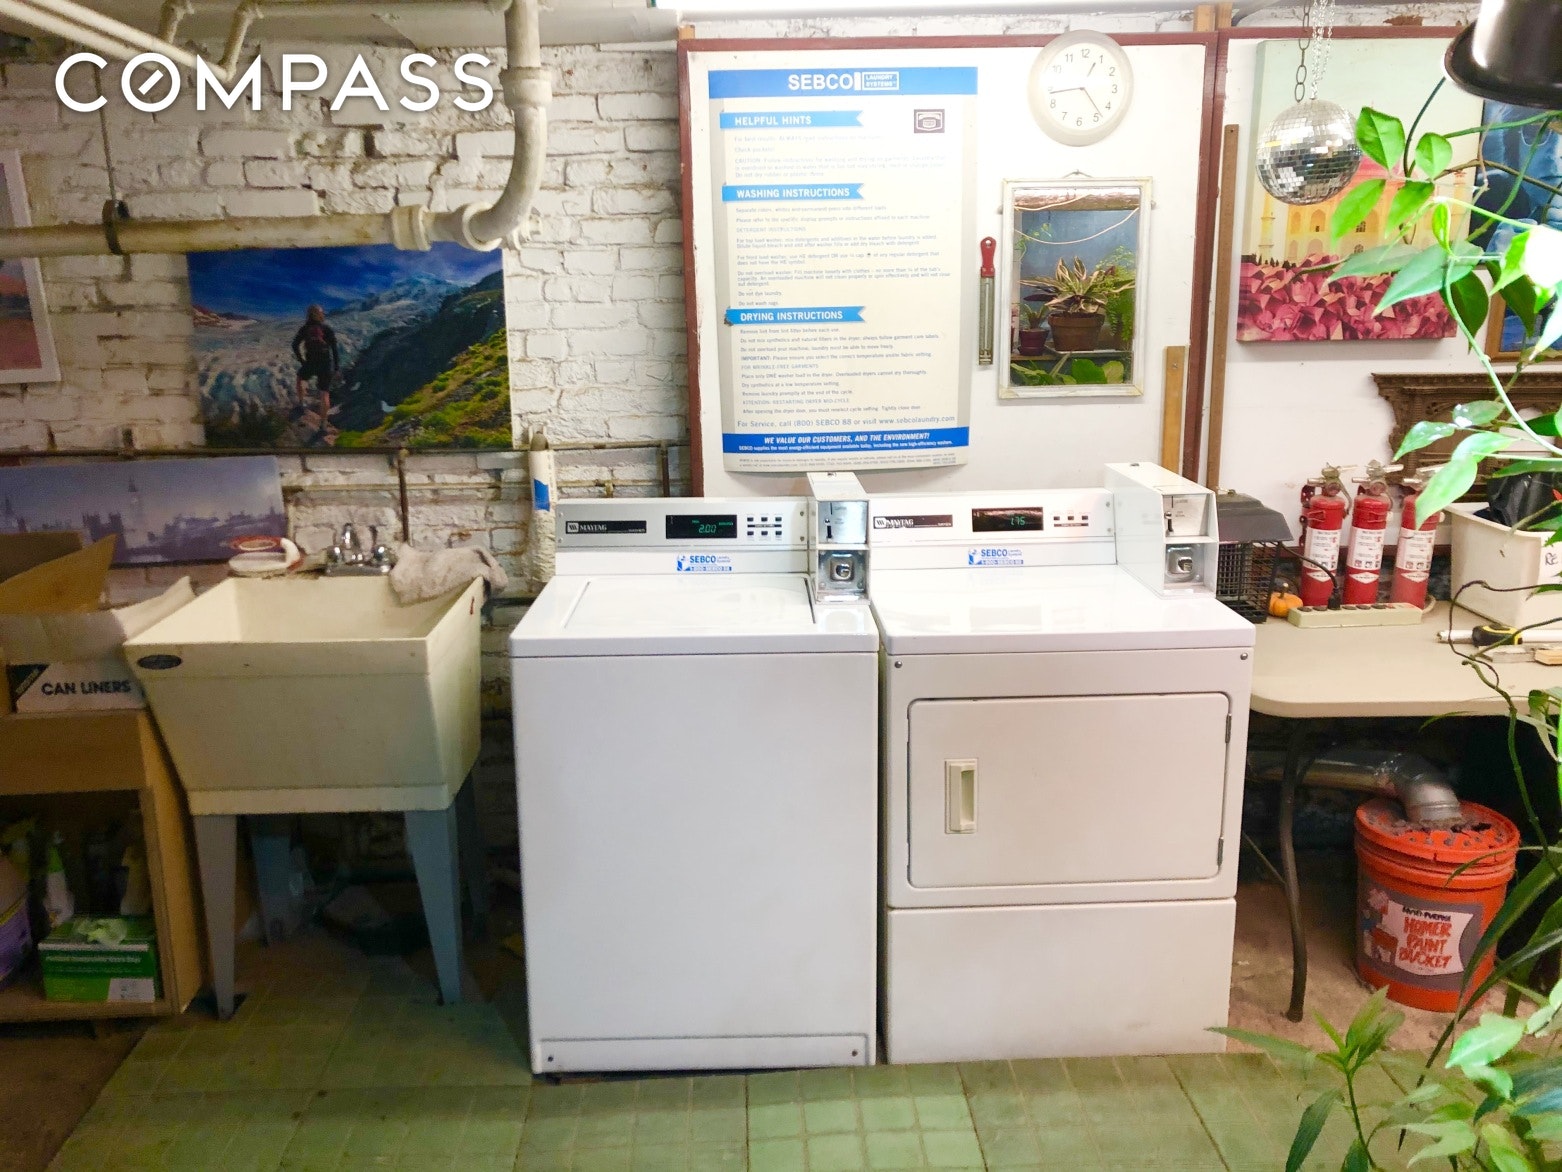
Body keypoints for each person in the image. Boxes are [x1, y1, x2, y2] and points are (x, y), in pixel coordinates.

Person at [291, 304, 340, 424]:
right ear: (319, 315)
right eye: (322, 313)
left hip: (311, 362)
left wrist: (302, 361)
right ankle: (323, 424)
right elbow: (334, 349)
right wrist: (336, 368)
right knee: (324, 393)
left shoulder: (305, 329)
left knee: (300, 379)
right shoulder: (327, 329)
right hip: (325, 363)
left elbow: (295, 345)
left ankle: (301, 403)